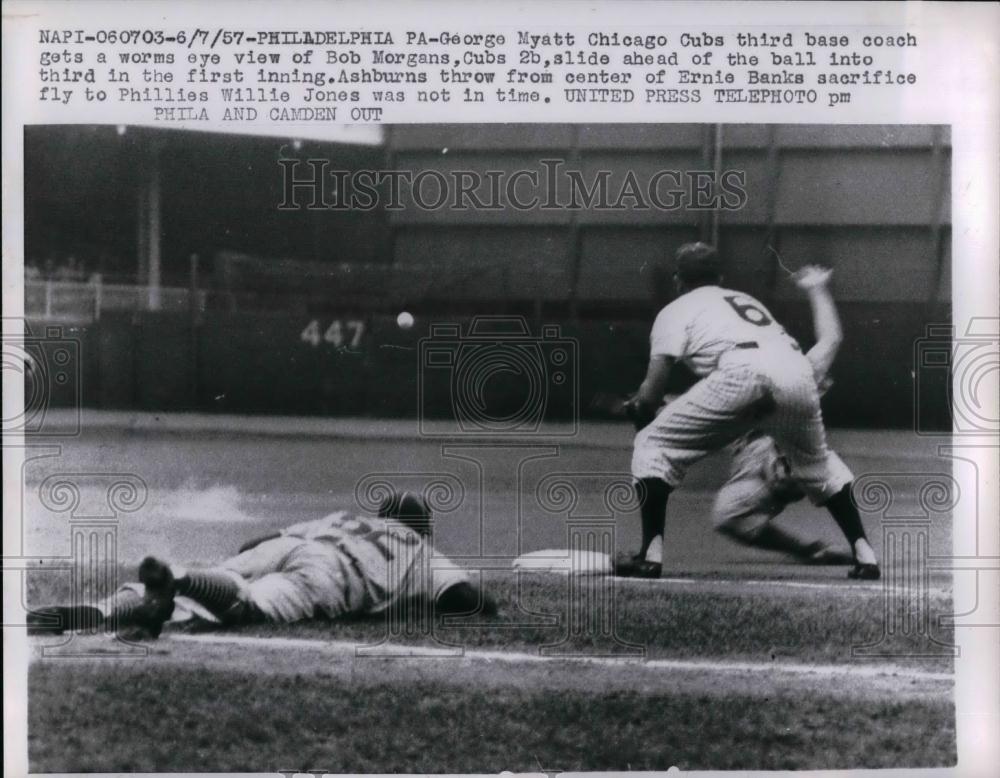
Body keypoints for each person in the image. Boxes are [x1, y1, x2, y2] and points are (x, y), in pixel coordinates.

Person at [618, 242, 880, 580]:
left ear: (678, 280)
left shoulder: (675, 310)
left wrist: (642, 409)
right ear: (721, 277)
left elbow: (653, 390)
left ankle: (649, 556)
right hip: (795, 372)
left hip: (743, 376)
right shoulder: (745, 301)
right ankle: (865, 555)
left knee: (652, 444)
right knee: (818, 464)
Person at [28, 490, 496, 639]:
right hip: (331, 575)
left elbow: (261, 540)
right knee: (247, 605)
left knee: (225, 579)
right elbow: (463, 599)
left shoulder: (346, 518)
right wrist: (490, 606)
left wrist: (243, 561)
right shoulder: (421, 550)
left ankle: (103, 609)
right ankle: (180, 581)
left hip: (295, 545)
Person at [709, 265, 853, 564]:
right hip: (747, 462)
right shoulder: (727, 375)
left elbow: (830, 340)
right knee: (727, 516)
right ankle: (809, 550)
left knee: (784, 466)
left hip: (777, 450)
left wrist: (817, 289)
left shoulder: (793, 370)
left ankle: (857, 543)